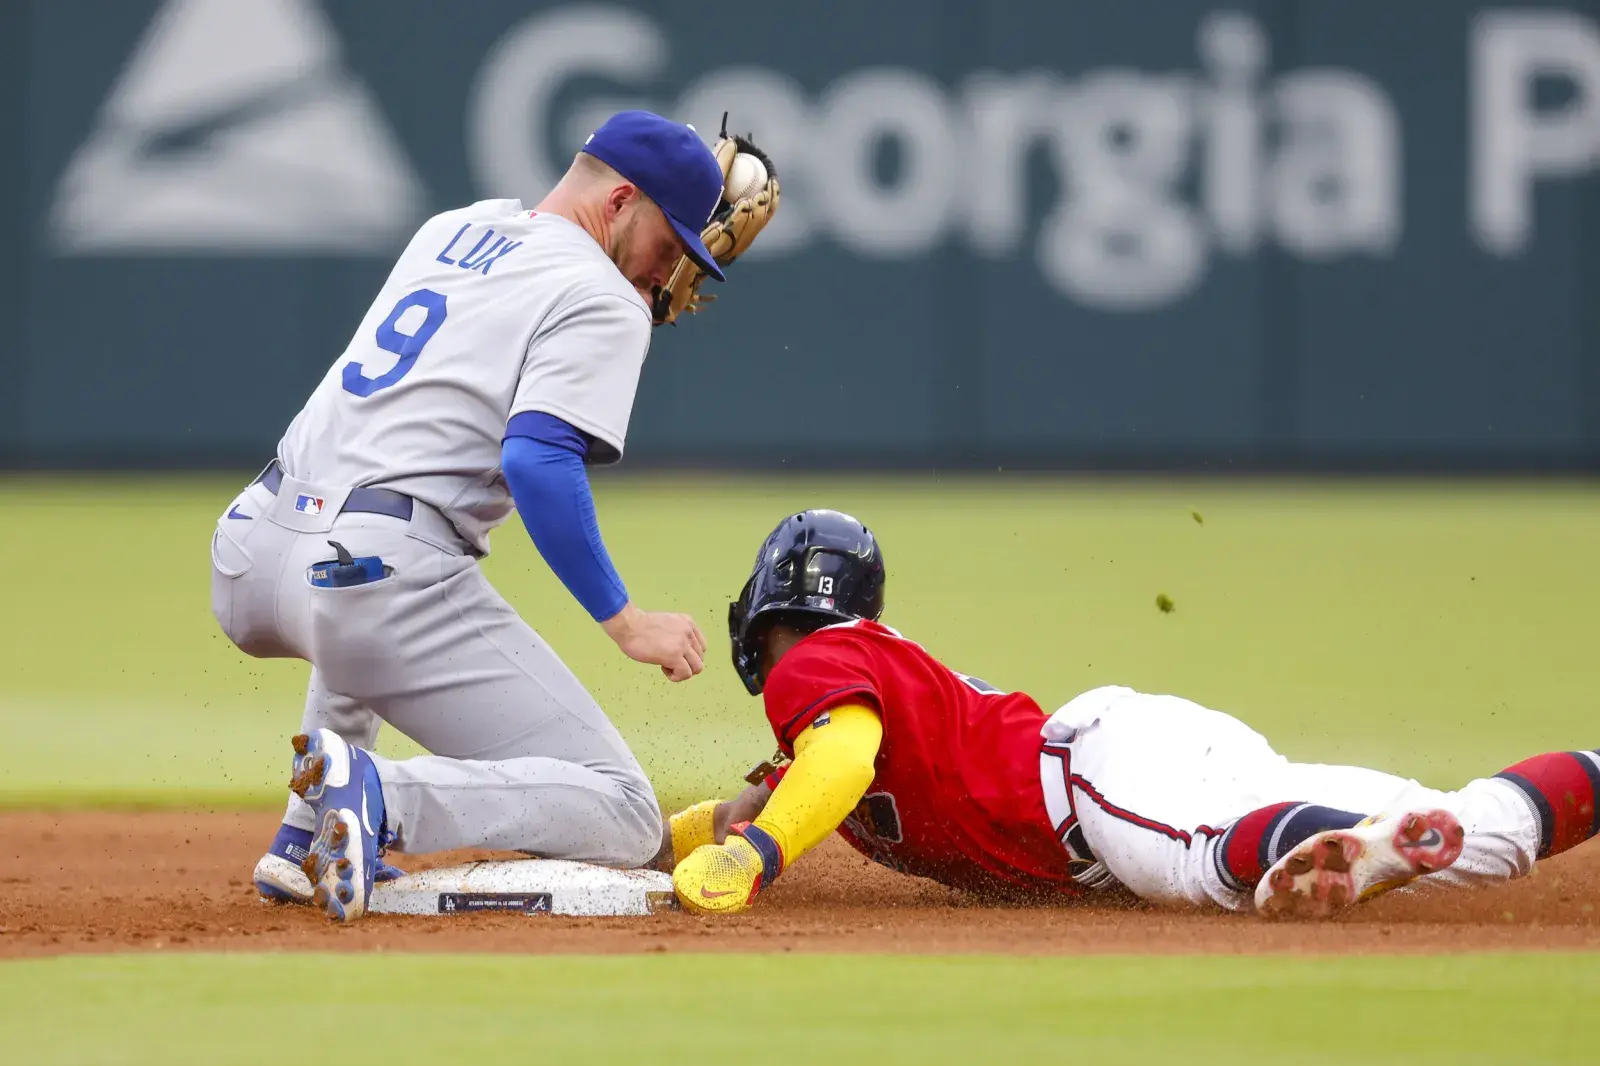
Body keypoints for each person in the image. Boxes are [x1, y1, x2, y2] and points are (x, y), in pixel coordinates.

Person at [208, 110, 778, 921]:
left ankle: (303, 835)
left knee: (366, 554)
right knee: (622, 810)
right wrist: (626, 621)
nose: (669, 275)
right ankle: (376, 797)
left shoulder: (456, 228)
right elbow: (537, 461)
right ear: (620, 202)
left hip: (250, 549)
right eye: (671, 246)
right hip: (368, 577)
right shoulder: (603, 300)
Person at [661, 509, 1598, 919]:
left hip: (1099, 786)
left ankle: (1329, 847)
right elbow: (763, 804)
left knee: (1199, 863)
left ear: (767, 598)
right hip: (1147, 755)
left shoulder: (818, 665)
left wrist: (754, 860)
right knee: (1461, 838)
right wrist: (647, 841)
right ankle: (1537, 793)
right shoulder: (835, 716)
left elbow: (837, 766)